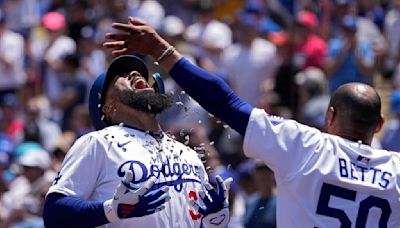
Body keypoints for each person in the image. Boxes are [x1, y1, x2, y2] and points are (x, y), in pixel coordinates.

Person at [104, 17, 400, 227]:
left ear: (330, 116)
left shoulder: (308, 145)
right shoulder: (396, 169)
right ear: (379, 124)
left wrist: (162, 51)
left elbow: (225, 102)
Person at [42, 55, 232, 228]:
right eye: (122, 76)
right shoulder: (99, 143)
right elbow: (54, 213)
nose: (134, 74)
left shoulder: (187, 153)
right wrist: (110, 210)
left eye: (140, 73)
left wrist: (212, 223)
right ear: (108, 107)